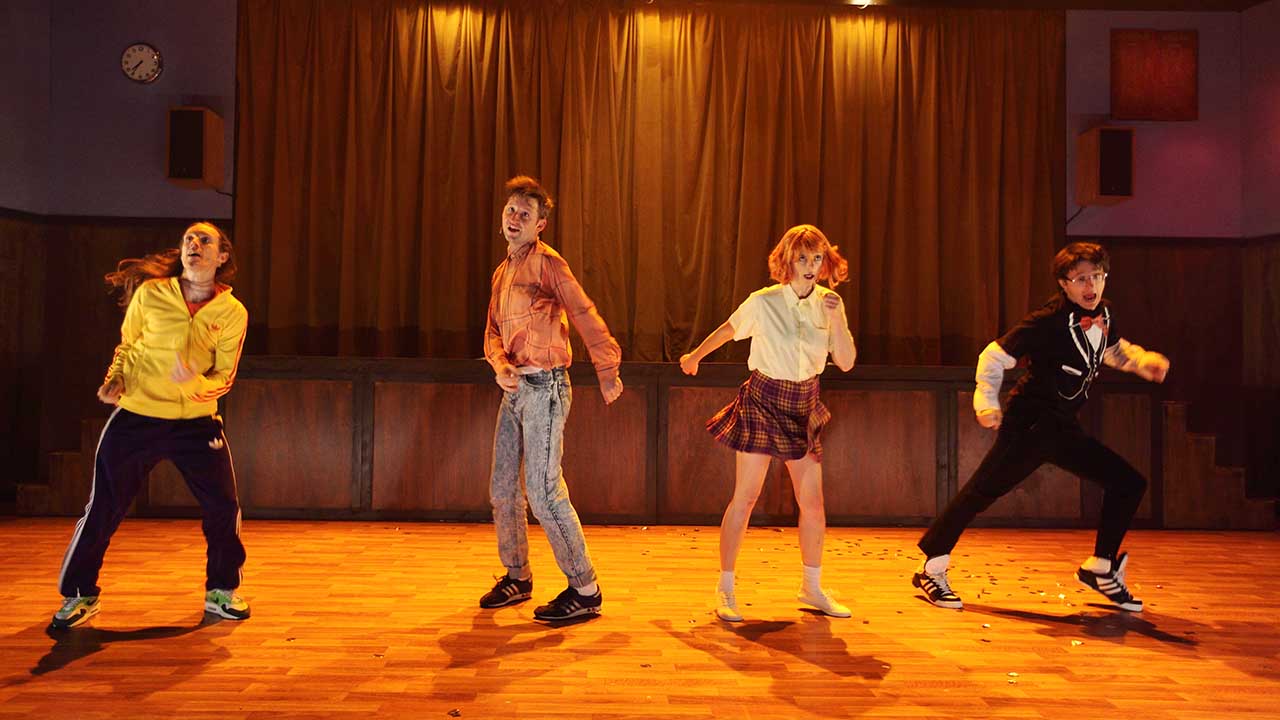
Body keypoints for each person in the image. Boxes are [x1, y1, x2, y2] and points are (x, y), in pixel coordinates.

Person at [912, 241, 1170, 612]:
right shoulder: (1046, 321)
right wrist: (986, 402)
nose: (1090, 286)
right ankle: (931, 566)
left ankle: (1101, 567)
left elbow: (1112, 350)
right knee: (981, 493)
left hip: (1063, 427)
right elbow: (993, 356)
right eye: (1081, 278)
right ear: (1064, 283)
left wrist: (1142, 361)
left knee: (1129, 483)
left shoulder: (1104, 314)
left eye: (1096, 277)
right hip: (1029, 425)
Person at [52, 221, 251, 629]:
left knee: (223, 507)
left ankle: (221, 591)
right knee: (103, 508)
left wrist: (193, 383)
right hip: (137, 417)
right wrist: (117, 377)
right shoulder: (151, 294)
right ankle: (79, 596)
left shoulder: (232, 313)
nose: (194, 245)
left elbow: (225, 376)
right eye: (188, 240)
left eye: (204, 240)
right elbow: (128, 345)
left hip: (197, 424)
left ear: (222, 256)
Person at [680, 224, 857, 622]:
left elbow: (845, 361)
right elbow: (730, 329)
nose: (810, 266)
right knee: (745, 496)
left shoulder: (830, 303)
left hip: (803, 402)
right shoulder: (764, 302)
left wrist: (839, 320)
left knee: (812, 503)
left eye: (817, 259)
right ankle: (725, 588)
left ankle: (812, 587)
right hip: (763, 400)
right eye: (803, 258)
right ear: (788, 261)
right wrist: (695, 355)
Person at [479, 176, 623, 621]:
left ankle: (585, 588)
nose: (515, 219)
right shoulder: (502, 272)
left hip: (547, 387)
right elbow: (492, 332)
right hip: (516, 388)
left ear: (541, 224)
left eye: (525, 214)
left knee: (543, 492)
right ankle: (518, 577)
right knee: (504, 489)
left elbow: (583, 311)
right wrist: (500, 366)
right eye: (511, 211)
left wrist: (607, 368)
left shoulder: (549, 264)